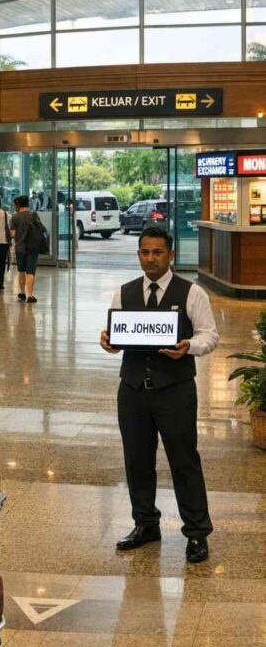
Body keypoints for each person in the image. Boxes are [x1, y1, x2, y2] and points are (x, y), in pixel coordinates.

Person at [100, 227, 219, 564]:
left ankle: (196, 532)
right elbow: (116, 334)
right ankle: (145, 524)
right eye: (144, 252)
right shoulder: (124, 293)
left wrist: (189, 347)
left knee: (184, 461)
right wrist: (108, 341)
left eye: (157, 252)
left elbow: (210, 335)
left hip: (175, 390)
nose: (150, 259)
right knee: (137, 460)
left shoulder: (192, 293)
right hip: (133, 390)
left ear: (171, 255)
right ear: (138, 254)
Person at [10, 195, 40, 304]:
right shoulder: (34, 215)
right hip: (33, 248)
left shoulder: (15, 217)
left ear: (18, 204)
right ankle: (30, 295)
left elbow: (13, 234)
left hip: (20, 248)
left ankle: (22, 293)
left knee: (21, 271)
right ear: (28, 203)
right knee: (30, 272)